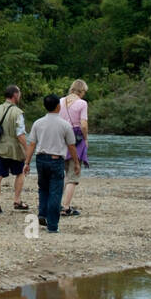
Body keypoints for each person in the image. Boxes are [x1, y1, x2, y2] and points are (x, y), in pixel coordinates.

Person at [22, 93, 79, 234]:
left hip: (41, 159)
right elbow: (71, 146)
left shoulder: (38, 123)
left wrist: (27, 162)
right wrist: (76, 163)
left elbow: (32, 144)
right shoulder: (64, 124)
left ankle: (42, 213)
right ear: (58, 106)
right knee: (55, 192)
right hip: (56, 160)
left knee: (43, 188)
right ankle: (53, 225)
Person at [0, 84, 29, 215]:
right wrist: (27, 150)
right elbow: (20, 134)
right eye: (19, 93)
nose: (20, 95)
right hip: (14, 149)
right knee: (20, 173)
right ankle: (17, 200)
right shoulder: (18, 112)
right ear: (15, 95)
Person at [60, 79, 90, 216]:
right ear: (82, 91)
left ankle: (58, 203)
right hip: (75, 138)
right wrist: (85, 138)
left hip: (60, 137)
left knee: (62, 173)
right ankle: (66, 207)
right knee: (73, 174)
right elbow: (83, 124)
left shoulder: (60, 101)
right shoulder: (82, 103)